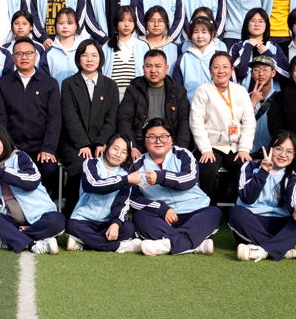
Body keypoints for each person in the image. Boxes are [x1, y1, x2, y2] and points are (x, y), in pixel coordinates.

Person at [129, 119, 221, 256]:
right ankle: (194, 244)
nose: (158, 141)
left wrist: (160, 177)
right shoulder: (137, 166)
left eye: (164, 136)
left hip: (194, 211)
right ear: (144, 141)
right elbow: (133, 198)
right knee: (139, 218)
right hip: (162, 217)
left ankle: (167, 243)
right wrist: (160, 208)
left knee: (214, 213)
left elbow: (190, 179)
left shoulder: (183, 154)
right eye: (152, 137)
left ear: (171, 139)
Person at [0, 123, 66, 254]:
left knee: (58, 220)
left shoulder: (20, 156)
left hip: (38, 218)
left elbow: (33, 180)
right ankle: (31, 244)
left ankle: (9, 239)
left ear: (5, 141)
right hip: (10, 221)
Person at [0, 37, 62, 197]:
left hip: (40, 147)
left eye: (28, 53)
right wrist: (6, 148)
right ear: (13, 57)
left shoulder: (49, 83)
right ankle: (15, 206)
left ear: (36, 56)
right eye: (19, 54)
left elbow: (54, 119)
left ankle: (40, 203)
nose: (24, 57)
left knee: (49, 169)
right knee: (5, 171)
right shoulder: (3, 84)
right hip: (12, 147)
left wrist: (48, 148)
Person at [229, 131, 296, 261]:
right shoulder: (250, 166)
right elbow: (247, 198)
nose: (283, 155)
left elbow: (294, 202)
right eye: (279, 149)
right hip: (253, 223)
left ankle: (261, 250)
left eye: (289, 151)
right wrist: (263, 171)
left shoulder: (293, 177)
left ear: (294, 156)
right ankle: (286, 249)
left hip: (281, 226)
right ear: (270, 148)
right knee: (235, 212)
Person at [59, 39, 120, 216]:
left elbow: (111, 118)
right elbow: (70, 117)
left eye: (94, 55)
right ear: (78, 59)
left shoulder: (110, 85)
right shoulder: (69, 84)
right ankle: (72, 215)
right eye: (85, 55)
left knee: (105, 165)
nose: (89, 59)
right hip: (74, 143)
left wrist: (101, 142)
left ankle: (102, 215)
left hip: (102, 142)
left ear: (100, 59)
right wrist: (83, 144)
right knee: (81, 165)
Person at [190, 52, 256, 203]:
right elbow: (196, 122)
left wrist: (244, 148)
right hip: (212, 146)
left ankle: (239, 208)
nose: (221, 71)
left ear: (232, 70)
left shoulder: (240, 91)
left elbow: (249, 122)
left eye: (225, 67)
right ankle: (210, 208)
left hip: (235, 146)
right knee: (208, 170)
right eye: (216, 67)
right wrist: (205, 149)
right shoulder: (202, 91)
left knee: (244, 169)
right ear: (210, 70)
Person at [64, 134, 141, 253]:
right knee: (71, 225)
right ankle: (117, 246)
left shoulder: (126, 174)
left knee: (128, 228)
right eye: (115, 149)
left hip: (107, 223)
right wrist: (125, 180)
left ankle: (83, 242)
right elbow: (94, 185)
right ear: (105, 148)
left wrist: (115, 224)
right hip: (84, 220)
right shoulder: (90, 163)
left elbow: (121, 203)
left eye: (124, 152)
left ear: (126, 156)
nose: (118, 154)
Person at [116, 49, 191, 156]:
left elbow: (184, 122)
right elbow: (124, 120)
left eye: (158, 66)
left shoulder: (178, 91)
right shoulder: (133, 90)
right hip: (139, 145)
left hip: (168, 145)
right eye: (148, 66)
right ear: (143, 68)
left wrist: (178, 150)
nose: (153, 70)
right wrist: (131, 146)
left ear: (166, 69)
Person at [229, 8, 289, 88]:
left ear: (266, 25)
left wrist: (268, 54)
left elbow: (286, 75)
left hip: (270, 95)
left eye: (261, 21)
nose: (257, 24)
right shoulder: (237, 47)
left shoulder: (274, 48)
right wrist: (247, 48)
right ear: (247, 24)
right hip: (244, 94)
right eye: (253, 21)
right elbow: (239, 73)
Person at [103, 6, 148, 99]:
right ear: (116, 23)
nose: (127, 24)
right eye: (122, 20)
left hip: (136, 97)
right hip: (111, 97)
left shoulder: (143, 46)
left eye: (130, 21)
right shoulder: (106, 47)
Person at [174, 16, 220, 99]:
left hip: (214, 104)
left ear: (212, 34)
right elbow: (176, 87)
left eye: (204, 32)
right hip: (189, 104)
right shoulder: (183, 59)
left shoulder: (219, 57)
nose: (200, 36)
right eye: (195, 32)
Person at [247, 56, 281, 155]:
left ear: (273, 73)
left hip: (271, 155)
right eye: (256, 70)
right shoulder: (243, 98)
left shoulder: (280, 99)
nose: (261, 73)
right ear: (251, 73)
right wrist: (252, 104)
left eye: (265, 69)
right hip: (246, 154)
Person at [40, 7, 82, 86]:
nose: (65, 26)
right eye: (61, 23)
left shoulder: (84, 50)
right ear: (56, 26)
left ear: (76, 25)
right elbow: (44, 80)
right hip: (56, 93)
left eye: (69, 23)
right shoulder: (48, 53)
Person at [139, 6, 178, 76]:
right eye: (152, 21)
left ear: (166, 24)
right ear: (145, 23)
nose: (156, 25)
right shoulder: (137, 45)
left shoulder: (174, 48)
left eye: (160, 21)